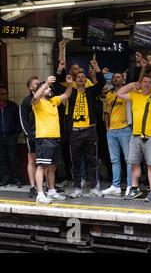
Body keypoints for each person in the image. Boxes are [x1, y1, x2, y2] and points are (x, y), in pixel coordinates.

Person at [58, 58, 106, 198]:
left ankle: (93, 187)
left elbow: (102, 83)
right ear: (74, 79)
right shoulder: (70, 92)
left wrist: (97, 68)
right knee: (76, 161)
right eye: (78, 77)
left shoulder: (91, 91)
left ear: (86, 80)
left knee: (92, 160)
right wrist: (60, 69)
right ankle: (77, 187)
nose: (80, 78)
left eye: (82, 77)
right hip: (75, 132)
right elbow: (56, 87)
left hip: (90, 130)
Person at [117, 74, 151, 201]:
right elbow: (119, 93)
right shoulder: (136, 95)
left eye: (149, 82)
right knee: (134, 163)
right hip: (136, 136)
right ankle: (135, 189)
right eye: (144, 82)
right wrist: (132, 84)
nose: (147, 84)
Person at [32, 75, 73, 203]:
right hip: (44, 138)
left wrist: (70, 84)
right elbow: (34, 97)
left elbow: (66, 95)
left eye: (49, 88)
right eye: (47, 89)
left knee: (52, 167)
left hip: (55, 138)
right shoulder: (37, 103)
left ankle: (51, 191)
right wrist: (45, 83)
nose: (49, 90)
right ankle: (40, 194)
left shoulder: (53, 101)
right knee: (42, 166)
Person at [101, 72, 133, 197]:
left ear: (123, 79)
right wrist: (107, 129)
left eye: (118, 77)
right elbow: (106, 113)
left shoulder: (128, 93)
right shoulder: (109, 94)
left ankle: (131, 185)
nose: (115, 79)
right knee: (114, 160)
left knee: (128, 159)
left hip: (125, 129)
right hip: (112, 131)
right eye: (114, 77)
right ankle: (116, 186)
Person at [20, 76, 40, 197]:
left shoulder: (44, 99)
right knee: (32, 160)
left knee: (45, 162)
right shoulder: (26, 101)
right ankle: (33, 187)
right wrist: (29, 134)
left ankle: (48, 186)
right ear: (30, 86)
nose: (38, 84)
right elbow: (23, 119)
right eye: (36, 83)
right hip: (32, 135)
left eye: (39, 83)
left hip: (45, 134)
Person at [0, 87, 22, 188]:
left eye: (6, 93)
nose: (6, 95)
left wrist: (16, 134)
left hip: (11, 137)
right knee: (2, 159)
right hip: (0, 137)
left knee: (14, 159)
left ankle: (17, 179)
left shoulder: (12, 106)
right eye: (3, 94)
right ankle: (5, 180)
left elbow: (18, 121)